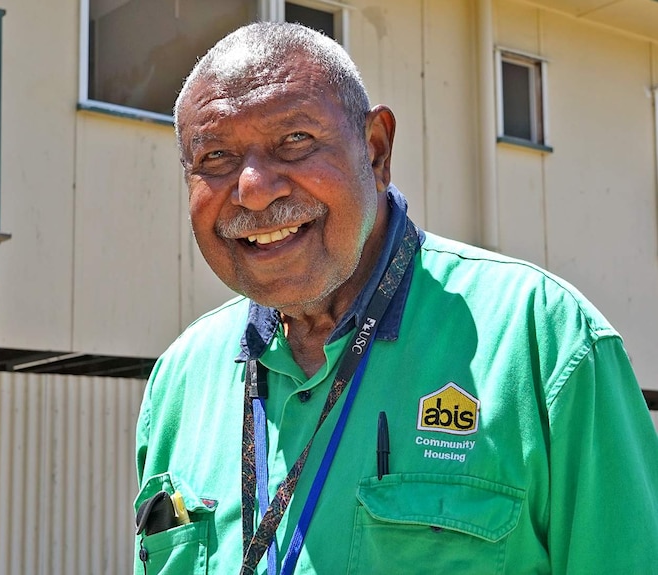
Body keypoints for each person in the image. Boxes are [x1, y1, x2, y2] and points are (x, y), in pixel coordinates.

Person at [133, 21, 658, 575]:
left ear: (377, 150)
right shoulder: (180, 380)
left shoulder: (546, 341)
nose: (254, 188)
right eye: (215, 156)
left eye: (295, 141)